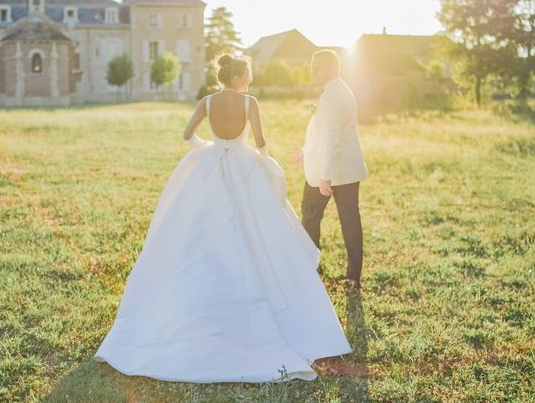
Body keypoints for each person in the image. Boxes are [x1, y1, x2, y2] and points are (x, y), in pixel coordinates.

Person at [93, 54, 352, 383]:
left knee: (198, 235)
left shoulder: (207, 101)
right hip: (243, 169)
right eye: (249, 75)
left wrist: (209, 148)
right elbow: (260, 143)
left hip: (211, 167)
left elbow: (188, 135)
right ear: (241, 76)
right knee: (257, 234)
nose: (250, 80)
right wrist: (259, 162)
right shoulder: (249, 103)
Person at [293, 49, 369, 291]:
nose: (312, 72)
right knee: (350, 220)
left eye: (316, 68)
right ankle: (353, 277)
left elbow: (334, 138)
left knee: (310, 215)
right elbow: (326, 133)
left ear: (328, 69)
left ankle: (310, 270)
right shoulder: (341, 90)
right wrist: (306, 150)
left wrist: (325, 176)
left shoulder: (331, 96)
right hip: (346, 170)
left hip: (327, 173)